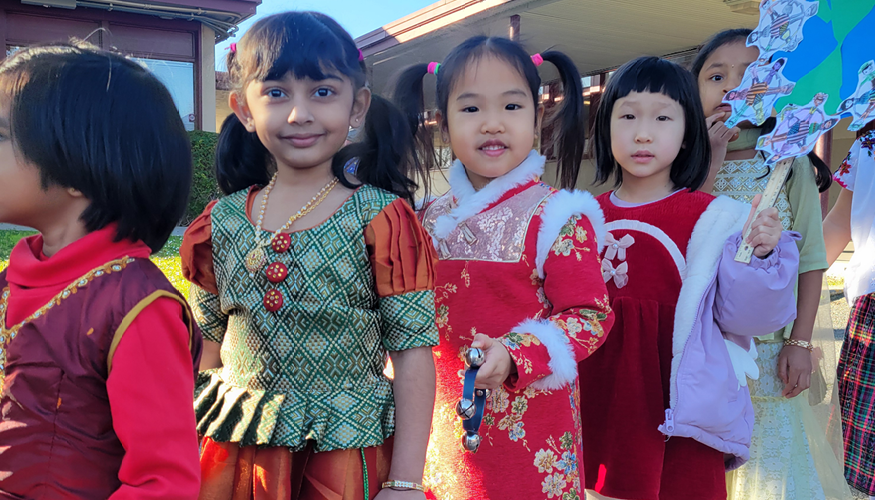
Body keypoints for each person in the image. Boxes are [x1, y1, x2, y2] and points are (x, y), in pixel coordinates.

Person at [180, 12, 438, 500]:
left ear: (357, 106)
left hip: (342, 452)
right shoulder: (219, 222)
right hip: (237, 451)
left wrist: (406, 480)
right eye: (276, 93)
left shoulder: (383, 219)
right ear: (244, 109)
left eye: (322, 91)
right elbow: (208, 349)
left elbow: (411, 354)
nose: (299, 113)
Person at [394, 36, 614, 499]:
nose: (492, 124)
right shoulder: (421, 217)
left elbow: (589, 316)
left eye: (512, 107)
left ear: (537, 118)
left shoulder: (557, 215)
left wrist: (517, 353)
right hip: (434, 421)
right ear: (442, 123)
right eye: (470, 109)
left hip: (530, 428)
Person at [577, 56, 801, 500]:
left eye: (663, 117)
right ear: (605, 128)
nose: (643, 133)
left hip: (676, 406)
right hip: (590, 393)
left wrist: (761, 255)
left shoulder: (717, 219)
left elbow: (748, 318)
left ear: (686, 135)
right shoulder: (578, 216)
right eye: (627, 116)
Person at [0, 42, 202, 499]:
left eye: (0, 136)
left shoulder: (135, 305)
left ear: (77, 167)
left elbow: (164, 483)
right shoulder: (13, 280)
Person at [691, 28, 848, 500]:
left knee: (769, 470)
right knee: (702, 468)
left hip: (764, 353)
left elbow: (811, 260)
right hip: (697, 353)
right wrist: (710, 159)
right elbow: (681, 238)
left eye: (752, 76)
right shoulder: (679, 162)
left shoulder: (788, 163)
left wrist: (799, 342)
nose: (731, 87)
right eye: (716, 75)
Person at [823, 124, 875, 500]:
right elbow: (842, 217)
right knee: (857, 464)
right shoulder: (868, 138)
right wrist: (792, 288)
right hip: (871, 305)